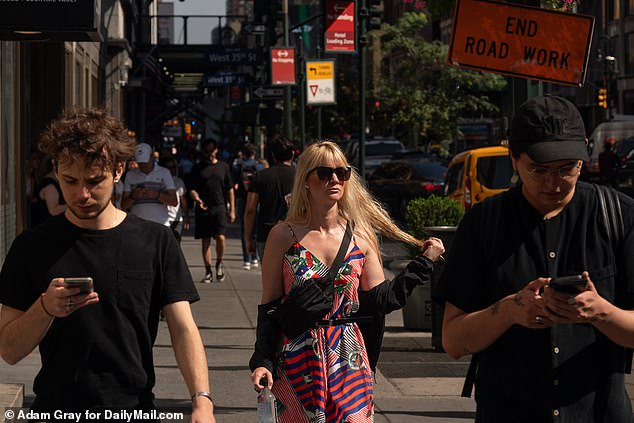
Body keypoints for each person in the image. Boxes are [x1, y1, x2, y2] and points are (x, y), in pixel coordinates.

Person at [0, 108, 215, 421]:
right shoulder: (31, 247)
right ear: (57, 170)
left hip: (134, 410)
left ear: (118, 170)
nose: (81, 194)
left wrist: (202, 401)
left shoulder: (155, 241)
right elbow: (8, 349)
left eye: (94, 181)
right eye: (70, 180)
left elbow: (183, 328)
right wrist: (45, 308)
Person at [433, 95, 634, 422]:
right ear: (513, 158)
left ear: (583, 158)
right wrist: (510, 310)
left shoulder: (618, 215)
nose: (553, 183)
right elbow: (453, 341)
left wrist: (601, 312)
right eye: (538, 169)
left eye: (566, 169)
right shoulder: (485, 223)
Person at [249, 141, 444, 423]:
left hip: (348, 356)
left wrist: (423, 263)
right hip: (296, 358)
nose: (336, 179)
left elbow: (381, 300)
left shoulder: (360, 235)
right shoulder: (283, 235)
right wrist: (262, 362)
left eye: (343, 172)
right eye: (325, 173)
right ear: (305, 180)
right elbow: (269, 305)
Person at [189, 138, 235, 283]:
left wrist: (232, 209)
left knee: (221, 237)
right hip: (203, 208)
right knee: (206, 240)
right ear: (203, 152)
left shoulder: (223, 167)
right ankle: (208, 270)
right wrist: (196, 199)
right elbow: (192, 188)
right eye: (206, 151)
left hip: (220, 206)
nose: (210, 154)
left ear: (216, 150)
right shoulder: (197, 168)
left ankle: (219, 263)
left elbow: (230, 189)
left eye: (212, 150)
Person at [244, 135, 296, 262]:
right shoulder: (301, 176)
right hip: (295, 234)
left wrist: (248, 238)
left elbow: (250, 210)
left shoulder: (259, 177)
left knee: (269, 278)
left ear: (273, 155)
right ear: (292, 154)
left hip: (266, 234)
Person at [121, 143, 178, 226]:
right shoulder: (130, 175)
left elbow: (174, 201)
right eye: (140, 163)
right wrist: (133, 197)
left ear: (152, 157)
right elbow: (123, 206)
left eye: (145, 162)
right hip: (137, 224)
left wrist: (157, 195)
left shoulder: (164, 173)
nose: (143, 165)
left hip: (160, 223)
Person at [232, 142, 264, 270]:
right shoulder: (259, 166)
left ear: (243, 153)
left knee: (244, 229)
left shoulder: (238, 166)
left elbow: (233, 183)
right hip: (256, 199)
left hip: (242, 199)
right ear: (254, 153)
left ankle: (247, 259)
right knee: (255, 229)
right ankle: (255, 257)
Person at [160, 156, 190, 242]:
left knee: (176, 244)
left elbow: (183, 200)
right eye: (169, 167)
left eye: (174, 167)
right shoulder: (159, 181)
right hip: (163, 218)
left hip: (177, 219)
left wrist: (186, 218)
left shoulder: (179, 181)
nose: (172, 170)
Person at [31, 156, 67, 227]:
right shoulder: (49, 185)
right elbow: (54, 210)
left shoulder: (54, 183)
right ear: (54, 165)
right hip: (45, 229)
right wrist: (72, 206)